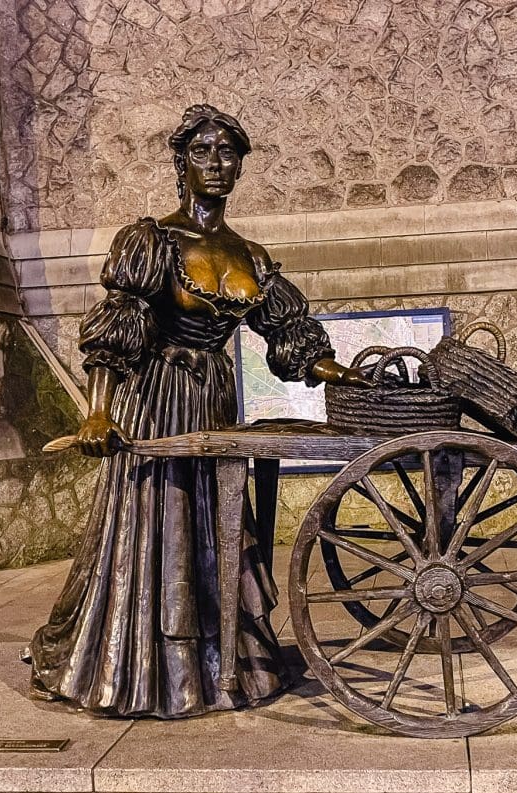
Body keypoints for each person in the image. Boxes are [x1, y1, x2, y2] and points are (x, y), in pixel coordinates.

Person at [28, 105, 370, 718]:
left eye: (228, 152)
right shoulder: (151, 242)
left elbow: (287, 335)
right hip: (158, 400)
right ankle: (143, 667)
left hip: (216, 397)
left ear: (240, 164)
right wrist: (100, 412)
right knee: (160, 522)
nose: (217, 163)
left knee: (217, 526)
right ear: (181, 163)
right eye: (204, 151)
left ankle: (223, 661)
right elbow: (117, 330)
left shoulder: (251, 254)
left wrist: (340, 374)